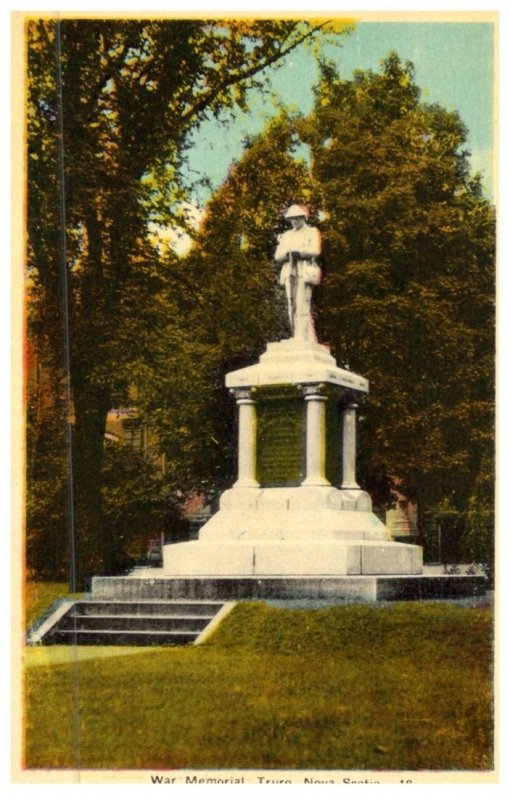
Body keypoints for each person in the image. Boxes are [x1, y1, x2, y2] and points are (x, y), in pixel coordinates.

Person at [274, 204, 322, 341]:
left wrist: (298, 252)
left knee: (302, 303)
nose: (294, 221)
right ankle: (301, 335)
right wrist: (288, 253)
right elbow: (278, 255)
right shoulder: (287, 235)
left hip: (304, 270)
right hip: (289, 271)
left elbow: (316, 250)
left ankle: (301, 336)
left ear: (303, 218)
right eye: (292, 219)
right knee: (291, 304)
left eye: (297, 218)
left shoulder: (312, 231)